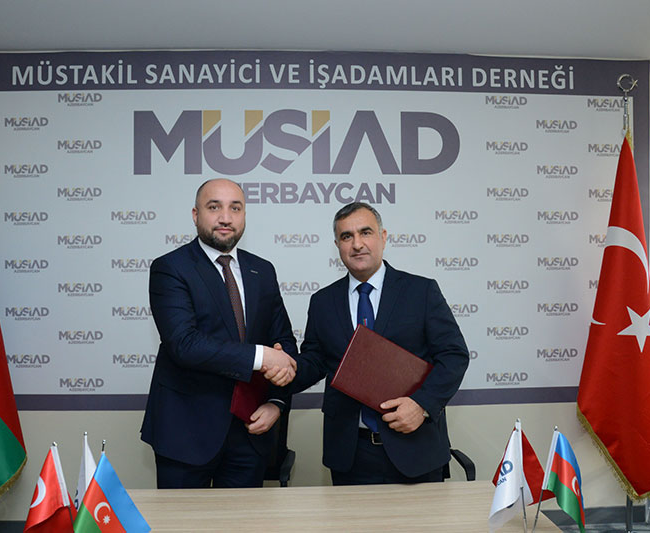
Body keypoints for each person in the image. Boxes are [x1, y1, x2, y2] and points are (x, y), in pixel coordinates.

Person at [290, 202, 469, 485]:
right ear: (337, 245)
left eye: (366, 232)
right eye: (346, 236)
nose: (357, 244)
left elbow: (454, 355)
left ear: (383, 237)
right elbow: (315, 361)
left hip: (415, 448)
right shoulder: (323, 301)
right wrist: (283, 366)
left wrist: (421, 405)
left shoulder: (421, 291)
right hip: (350, 454)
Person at [140, 178, 298, 488]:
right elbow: (184, 344)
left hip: (250, 431)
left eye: (235, 208)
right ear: (195, 214)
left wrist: (276, 403)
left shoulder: (262, 270)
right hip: (185, 433)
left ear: (244, 216)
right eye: (214, 207)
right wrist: (261, 356)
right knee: (181, 517)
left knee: (243, 516)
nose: (225, 217)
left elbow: (284, 343)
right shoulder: (170, 268)